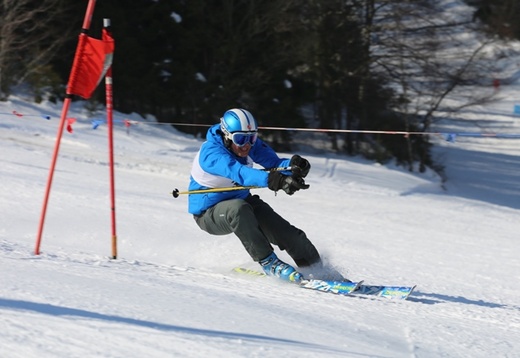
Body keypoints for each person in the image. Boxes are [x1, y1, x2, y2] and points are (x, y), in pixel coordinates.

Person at [188, 108, 341, 283]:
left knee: (289, 235)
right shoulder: (212, 154)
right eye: (240, 139)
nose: (247, 144)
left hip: (244, 202)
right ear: (227, 135)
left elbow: (274, 163)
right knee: (239, 209)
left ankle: (318, 270)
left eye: (252, 138)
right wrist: (275, 180)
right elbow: (241, 174)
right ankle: (269, 262)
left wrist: (293, 167)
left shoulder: (244, 144)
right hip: (209, 213)